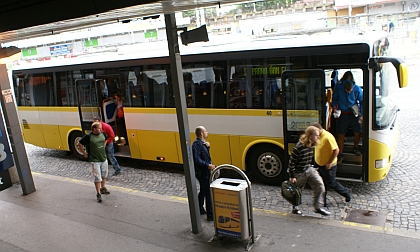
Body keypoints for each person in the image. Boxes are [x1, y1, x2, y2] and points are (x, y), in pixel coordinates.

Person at [288, 126, 330, 216]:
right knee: (297, 192)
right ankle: (295, 208)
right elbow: (291, 163)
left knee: (320, 186)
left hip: (309, 169)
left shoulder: (312, 144)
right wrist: (292, 176)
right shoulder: (298, 148)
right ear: (310, 136)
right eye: (316, 135)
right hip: (299, 173)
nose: (318, 137)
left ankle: (317, 207)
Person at [311, 122, 351, 206]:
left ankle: (346, 192)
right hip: (319, 164)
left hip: (328, 166)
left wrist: (329, 162)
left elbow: (336, 150)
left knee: (331, 183)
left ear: (318, 130)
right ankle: (322, 202)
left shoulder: (327, 137)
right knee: (321, 183)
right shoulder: (318, 136)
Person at [331, 71, 363, 161]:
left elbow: (362, 102)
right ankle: (340, 153)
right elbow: (334, 98)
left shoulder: (357, 89)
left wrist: (361, 115)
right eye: (346, 91)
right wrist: (334, 107)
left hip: (354, 113)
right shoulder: (339, 87)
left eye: (350, 91)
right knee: (341, 134)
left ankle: (355, 147)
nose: (348, 92)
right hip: (343, 114)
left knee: (357, 131)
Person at [77, 122, 110, 203]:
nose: (100, 129)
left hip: (103, 158)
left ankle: (103, 188)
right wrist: (84, 153)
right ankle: (98, 193)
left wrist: (103, 146)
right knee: (97, 177)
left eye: (100, 128)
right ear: (94, 129)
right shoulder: (89, 136)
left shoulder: (103, 134)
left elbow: (106, 139)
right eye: (99, 128)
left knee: (104, 174)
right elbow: (80, 143)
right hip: (95, 160)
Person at [192, 126, 215, 221]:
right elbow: (196, 159)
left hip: (205, 171)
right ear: (201, 134)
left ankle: (200, 208)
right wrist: (207, 165)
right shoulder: (197, 144)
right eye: (205, 131)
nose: (207, 132)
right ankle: (210, 215)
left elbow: (204, 155)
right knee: (208, 193)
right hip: (203, 172)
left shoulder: (203, 144)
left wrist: (207, 147)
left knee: (203, 190)